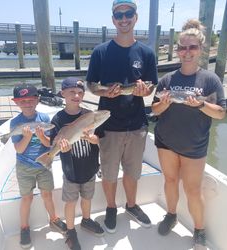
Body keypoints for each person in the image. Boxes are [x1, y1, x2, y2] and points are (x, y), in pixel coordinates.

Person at [151, 19, 226, 249]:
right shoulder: (167, 80)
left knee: (193, 190)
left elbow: (221, 113)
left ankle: (199, 230)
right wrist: (163, 103)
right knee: (170, 181)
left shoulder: (210, 79)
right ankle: (171, 214)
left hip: (195, 145)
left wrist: (200, 105)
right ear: (178, 51)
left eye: (192, 47)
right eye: (182, 47)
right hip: (166, 142)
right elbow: (154, 110)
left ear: (200, 50)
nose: (187, 52)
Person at [86, 0, 158, 233]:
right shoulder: (100, 51)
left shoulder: (146, 53)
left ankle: (131, 205)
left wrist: (145, 91)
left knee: (132, 172)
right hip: (108, 124)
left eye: (129, 14)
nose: (124, 19)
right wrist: (105, 91)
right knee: (108, 173)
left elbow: (151, 86)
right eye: (120, 15)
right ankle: (110, 208)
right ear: (113, 19)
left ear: (136, 17)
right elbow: (91, 85)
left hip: (136, 124)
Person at [50, 77, 104, 250]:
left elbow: (99, 139)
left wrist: (94, 139)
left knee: (87, 198)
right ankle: (71, 232)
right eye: (72, 92)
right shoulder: (58, 119)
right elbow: (55, 142)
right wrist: (62, 149)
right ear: (62, 93)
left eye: (80, 92)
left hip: (89, 168)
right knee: (71, 202)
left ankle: (86, 220)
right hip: (71, 171)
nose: (76, 95)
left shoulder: (90, 115)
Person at [11, 83, 67, 249]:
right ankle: (24, 227)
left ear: (37, 100)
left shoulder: (43, 119)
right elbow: (19, 149)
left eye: (31, 99)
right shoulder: (15, 123)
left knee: (47, 195)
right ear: (16, 102)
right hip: (24, 167)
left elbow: (49, 144)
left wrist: (41, 135)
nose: (27, 103)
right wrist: (27, 137)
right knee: (26, 198)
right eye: (23, 101)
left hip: (44, 165)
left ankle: (54, 219)